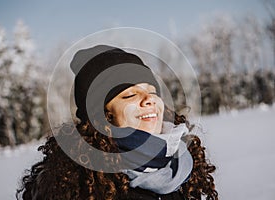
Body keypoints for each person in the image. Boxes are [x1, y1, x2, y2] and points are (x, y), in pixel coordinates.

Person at [17, 45, 218, 200]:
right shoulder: (79, 185)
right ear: (104, 116)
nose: (149, 99)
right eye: (130, 94)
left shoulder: (183, 166)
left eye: (152, 91)